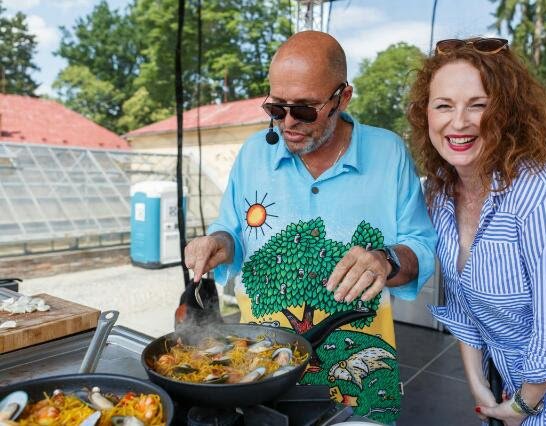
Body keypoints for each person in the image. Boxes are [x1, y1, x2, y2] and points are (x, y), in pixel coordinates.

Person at [185, 30, 437, 424]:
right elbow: (230, 231)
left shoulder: (388, 153)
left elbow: (421, 247)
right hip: (260, 372)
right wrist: (218, 242)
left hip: (362, 380)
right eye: (276, 108)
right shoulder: (253, 153)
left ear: (343, 97)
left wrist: (386, 259)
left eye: (304, 110)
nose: (287, 123)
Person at [407, 37, 546, 425]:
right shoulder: (440, 194)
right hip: (517, 384)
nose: (458, 122)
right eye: (444, 105)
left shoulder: (542, 195)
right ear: (425, 113)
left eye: (478, 105)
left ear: (506, 114)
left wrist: (521, 406)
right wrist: (478, 385)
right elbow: (463, 306)